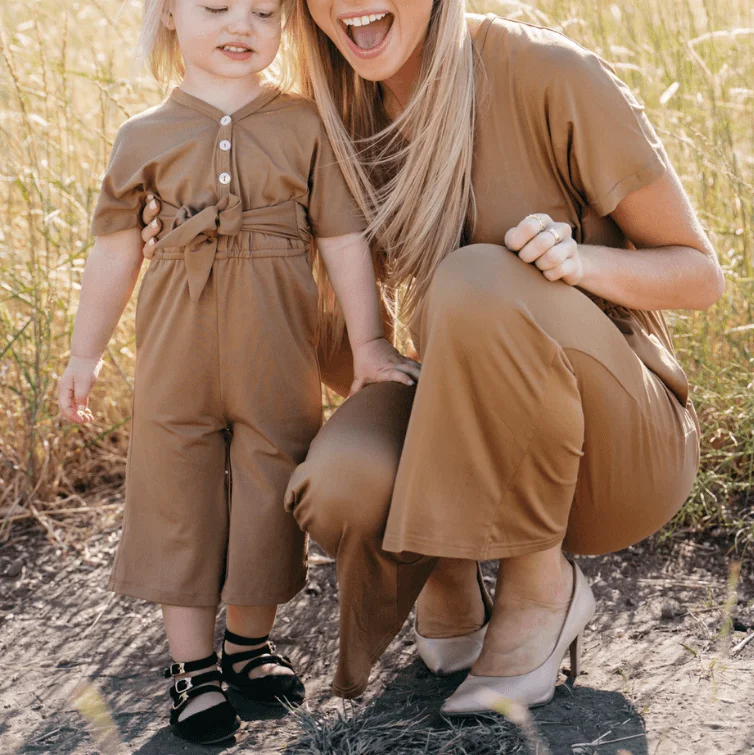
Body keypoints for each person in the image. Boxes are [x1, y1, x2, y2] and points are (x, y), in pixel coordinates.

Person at [143, 0, 724, 714]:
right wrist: (192, 232)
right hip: (468, 431)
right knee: (341, 477)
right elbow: (325, 331)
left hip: (614, 453)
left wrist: (578, 262)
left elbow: (700, 273)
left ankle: (540, 585)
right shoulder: (337, 118)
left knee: (476, 278)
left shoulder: (546, 72)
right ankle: (446, 570)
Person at [58, 0, 419, 744]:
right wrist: (84, 354)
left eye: (263, 10)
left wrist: (371, 343)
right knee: (176, 497)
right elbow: (114, 252)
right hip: (174, 357)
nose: (241, 25)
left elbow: (345, 239)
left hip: (274, 354)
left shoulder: (304, 125)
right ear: (167, 16)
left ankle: (248, 648)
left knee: (269, 490)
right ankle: (193, 672)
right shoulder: (142, 137)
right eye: (216, 6)